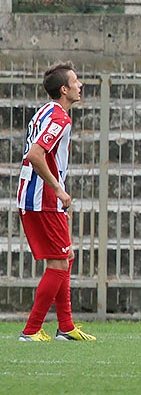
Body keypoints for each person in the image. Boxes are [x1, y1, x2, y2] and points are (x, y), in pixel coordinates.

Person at [18, 62, 96, 342]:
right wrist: (59, 191)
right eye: (76, 81)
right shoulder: (59, 118)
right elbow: (35, 154)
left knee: (66, 256)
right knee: (59, 263)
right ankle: (31, 330)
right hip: (42, 198)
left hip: (37, 196)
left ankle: (66, 326)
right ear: (64, 89)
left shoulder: (46, 111)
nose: (80, 85)